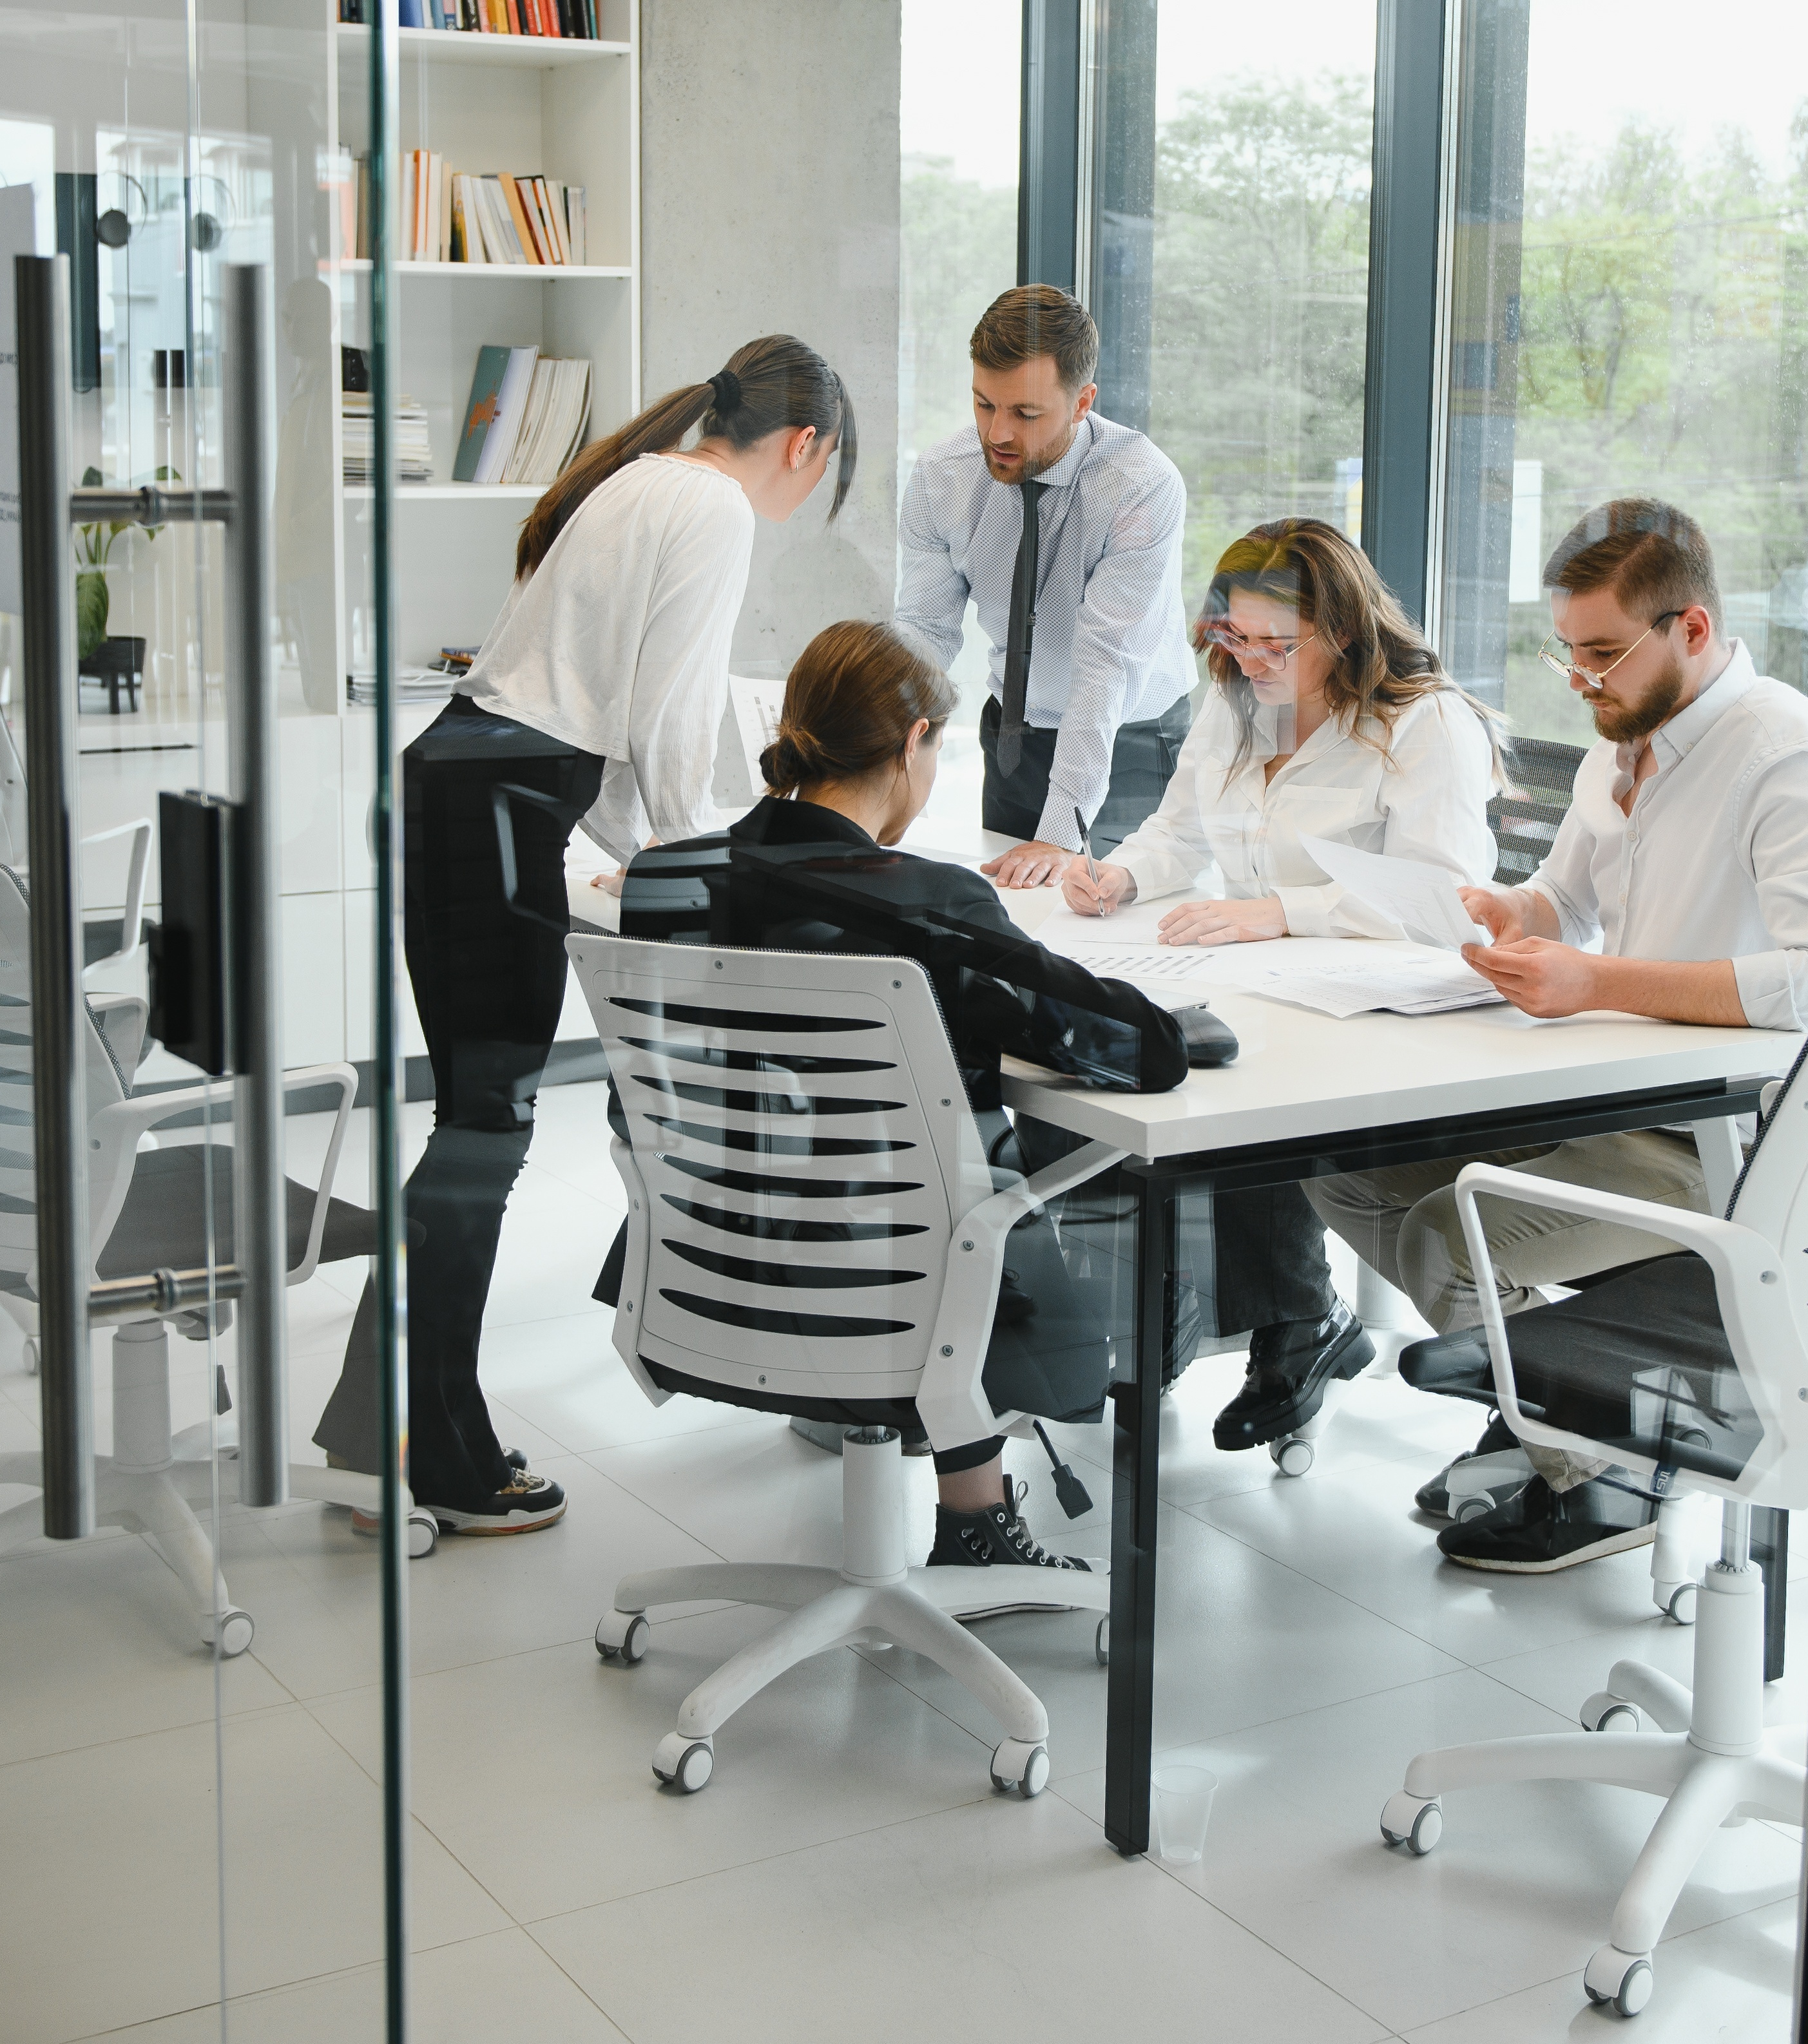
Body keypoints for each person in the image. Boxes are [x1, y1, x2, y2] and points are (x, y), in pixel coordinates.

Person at [314, 334, 858, 1536]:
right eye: (821, 475)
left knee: (469, 1130)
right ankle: (432, 1456)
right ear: (804, 447)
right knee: (485, 1134)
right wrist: (706, 858)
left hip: (466, 787)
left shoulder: (642, 476)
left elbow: (585, 720)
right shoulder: (713, 507)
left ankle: (380, 1435)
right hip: (495, 810)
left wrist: (646, 853)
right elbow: (667, 716)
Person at [606, 618, 1217, 1583]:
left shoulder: (667, 878)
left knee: (917, 1176)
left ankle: (974, 1514)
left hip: (717, 1263)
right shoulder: (923, 899)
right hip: (892, 1286)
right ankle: (976, 1508)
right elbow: (1140, 1050)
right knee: (982, 1203)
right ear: (912, 743)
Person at [1309, 497, 1808, 1574]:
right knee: (1339, 1175)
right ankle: (1552, 1411)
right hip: (1613, 1097)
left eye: (1601, 653)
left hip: (1730, 1145)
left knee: (1451, 1236)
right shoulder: (1619, 746)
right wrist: (1505, 913)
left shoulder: (1779, 751)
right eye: (1565, 651)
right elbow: (1565, 905)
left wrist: (1593, 981)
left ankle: (1602, 1472)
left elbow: (1805, 985)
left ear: (1692, 632)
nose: (1578, 680)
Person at [1053, 517, 1501, 1450]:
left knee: (1237, 1071)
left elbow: (1440, 900)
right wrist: (1121, 876)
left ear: (1340, 629)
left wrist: (1283, 912)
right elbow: (1179, 830)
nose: (1250, 661)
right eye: (1234, 637)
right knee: (1140, 1048)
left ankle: (1293, 1321)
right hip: (1272, 977)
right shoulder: (1235, 700)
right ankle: (1184, 1304)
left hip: (1397, 1001)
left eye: (1274, 643)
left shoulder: (1422, 723)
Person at [894, 284, 1195, 888]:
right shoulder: (940, 478)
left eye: (1026, 414)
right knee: (1011, 920)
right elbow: (924, 632)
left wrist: (1062, 830)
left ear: (1082, 402)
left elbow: (1107, 665)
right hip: (1013, 732)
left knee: (1110, 925)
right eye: (984, 405)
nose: (998, 433)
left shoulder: (1141, 485)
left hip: (1132, 735)